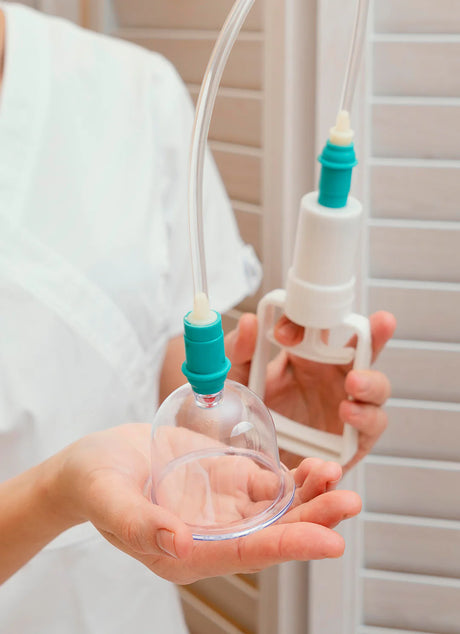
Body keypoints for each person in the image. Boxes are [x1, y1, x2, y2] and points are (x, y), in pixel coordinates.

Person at [0, 3, 395, 633]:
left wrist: (257, 428)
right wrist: (57, 493)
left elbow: (129, 354)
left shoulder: (132, 89)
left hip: (131, 606)